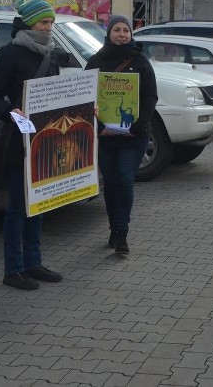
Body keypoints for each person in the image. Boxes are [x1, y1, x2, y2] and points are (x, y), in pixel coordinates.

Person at [0, 0, 64, 290]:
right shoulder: (10, 53)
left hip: (45, 139)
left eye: (51, 22)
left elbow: (56, 94)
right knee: (18, 208)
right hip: (18, 140)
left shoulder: (51, 54)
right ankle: (13, 269)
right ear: (30, 23)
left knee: (40, 204)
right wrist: (10, 112)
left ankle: (34, 263)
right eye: (44, 22)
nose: (49, 27)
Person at [85, 15, 158, 254]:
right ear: (108, 34)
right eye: (116, 30)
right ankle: (113, 228)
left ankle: (122, 232)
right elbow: (86, 97)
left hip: (133, 136)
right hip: (106, 135)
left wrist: (139, 125)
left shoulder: (140, 61)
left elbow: (150, 97)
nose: (122, 34)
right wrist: (98, 125)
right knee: (112, 182)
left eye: (126, 30)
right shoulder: (96, 61)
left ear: (131, 34)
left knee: (125, 179)